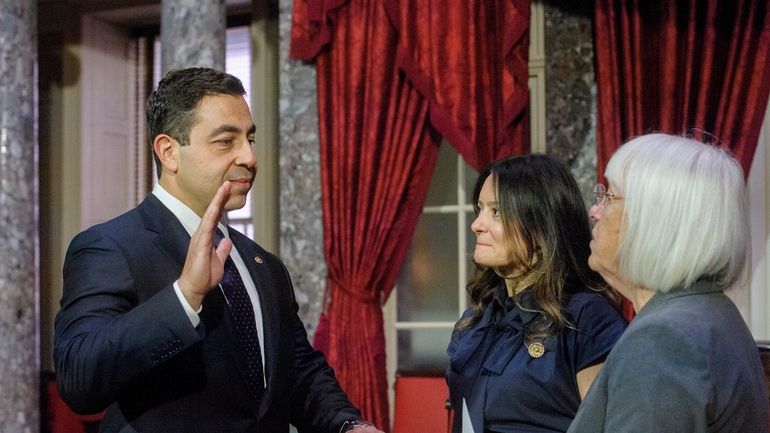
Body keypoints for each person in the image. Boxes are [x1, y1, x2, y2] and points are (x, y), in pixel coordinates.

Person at [53, 67, 382, 433]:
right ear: (168, 152)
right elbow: (78, 378)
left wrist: (348, 425)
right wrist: (184, 296)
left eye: (250, 140)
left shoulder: (264, 265)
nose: (249, 158)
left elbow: (298, 371)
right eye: (226, 142)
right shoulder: (109, 246)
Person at [568, 133, 770, 432]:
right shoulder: (707, 310)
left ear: (653, 221)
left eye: (609, 197)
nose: (594, 211)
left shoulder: (663, 339)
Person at [446, 154, 627, 433]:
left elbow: (612, 425)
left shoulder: (587, 318)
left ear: (543, 226)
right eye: (479, 209)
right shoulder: (474, 321)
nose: (477, 224)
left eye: (497, 212)